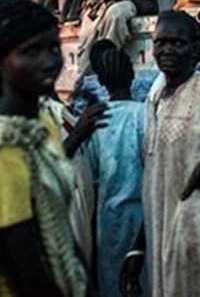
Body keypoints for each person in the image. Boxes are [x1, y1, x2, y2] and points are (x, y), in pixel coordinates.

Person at [0, 0, 88, 297]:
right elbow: (25, 265)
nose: (49, 61)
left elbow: (57, 229)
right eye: (31, 52)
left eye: (53, 48)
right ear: (0, 61)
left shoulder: (43, 121)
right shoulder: (5, 146)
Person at [128, 11, 200, 297]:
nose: (167, 50)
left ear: (195, 49)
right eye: (160, 42)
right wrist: (138, 247)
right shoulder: (155, 94)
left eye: (177, 43)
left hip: (198, 227)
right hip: (159, 232)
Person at [78, 41, 147, 297]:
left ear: (102, 82)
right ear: (132, 75)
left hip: (109, 221)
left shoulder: (96, 120)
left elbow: (90, 179)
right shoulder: (146, 114)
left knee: (113, 282)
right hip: (144, 218)